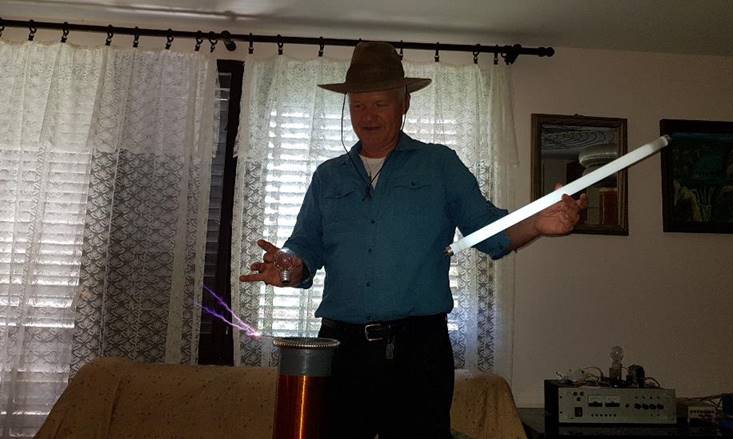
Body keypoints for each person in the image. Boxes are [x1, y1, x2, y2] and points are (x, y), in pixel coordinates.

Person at [240, 42, 586, 439]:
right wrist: (289, 263)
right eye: (358, 105)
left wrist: (538, 224)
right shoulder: (328, 176)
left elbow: (489, 232)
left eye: (380, 104)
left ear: (404, 103)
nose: (367, 116)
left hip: (419, 350)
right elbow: (305, 244)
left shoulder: (440, 164)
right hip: (342, 349)